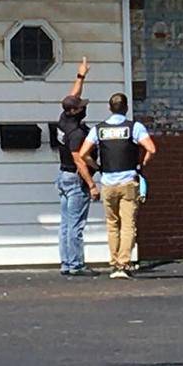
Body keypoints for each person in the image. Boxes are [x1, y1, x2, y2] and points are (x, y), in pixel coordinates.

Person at [79, 93, 156, 279]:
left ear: (109, 108)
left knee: (112, 224)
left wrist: (97, 166)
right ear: (126, 107)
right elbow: (152, 149)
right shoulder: (134, 127)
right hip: (128, 180)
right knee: (128, 225)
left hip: (107, 182)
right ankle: (124, 263)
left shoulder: (99, 129)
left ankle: (114, 264)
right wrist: (142, 164)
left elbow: (83, 154)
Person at [55, 57, 100, 277]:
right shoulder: (77, 134)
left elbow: (74, 96)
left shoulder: (64, 119)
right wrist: (91, 184)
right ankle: (76, 265)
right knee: (75, 225)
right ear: (74, 112)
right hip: (74, 178)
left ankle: (66, 262)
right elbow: (79, 160)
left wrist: (81, 75)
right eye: (80, 107)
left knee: (65, 224)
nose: (83, 108)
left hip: (62, 176)